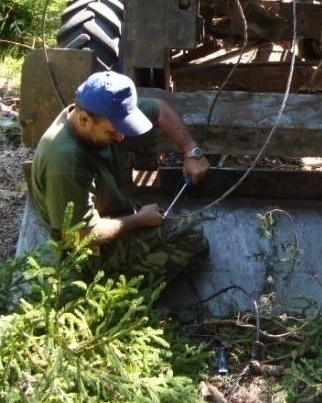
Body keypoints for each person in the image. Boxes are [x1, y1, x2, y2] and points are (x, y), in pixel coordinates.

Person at [17, 71, 209, 282]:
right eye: (112, 132)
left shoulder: (94, 113)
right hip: (88, 250)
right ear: (84, 119)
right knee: (192, 234)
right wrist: (139, 220)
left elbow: (159, 108)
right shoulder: (66, 162)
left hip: (108, 214)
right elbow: (79, 238)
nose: (121, 137)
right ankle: (114, 291)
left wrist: (192, 150)